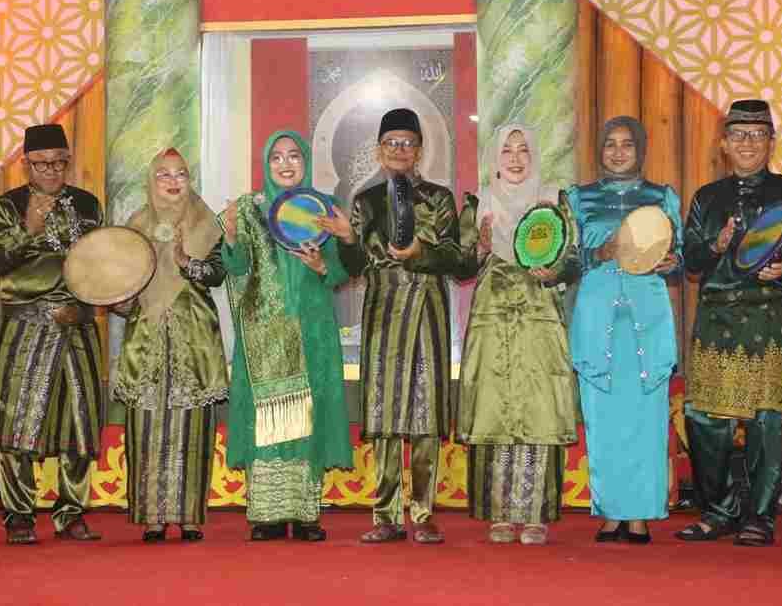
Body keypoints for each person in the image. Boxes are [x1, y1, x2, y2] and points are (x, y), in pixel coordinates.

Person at [319, 108, 466, 544]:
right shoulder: (365, 202)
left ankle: (422, 514)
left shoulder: (439, 199)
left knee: (425, 416)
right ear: (378, 150)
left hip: (427, 313)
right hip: (382, 313)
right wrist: (348, 239)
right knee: (383, 415)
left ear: (420, 150)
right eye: (392, 143)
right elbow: (353, 268)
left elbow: (457, 259)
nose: (400, 150)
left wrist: (421, 253)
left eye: (408, 143)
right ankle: (384, 515)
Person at [676, 99, 782, 546]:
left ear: (771, 142)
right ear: (724, 144)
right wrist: (716, 244)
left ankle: (760, 518)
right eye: (738, 135)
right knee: (704, 418)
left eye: (757, 135)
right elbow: (691, 261)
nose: (747, 143)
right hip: (717, 318)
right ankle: (719, 511)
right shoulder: (706, 198)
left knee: (766, 420)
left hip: (767, 318)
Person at [222, 130, 352, 541]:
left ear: (305, 162)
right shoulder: (249, 209)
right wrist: (230, 236)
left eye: (294, 156)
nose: (285, 164)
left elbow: (341, 271)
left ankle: (307, 514)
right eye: (276, 157)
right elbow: (236, 268)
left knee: (308, 415)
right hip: (264, 332)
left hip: (311, 328)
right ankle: (267, 516)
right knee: (269, 418)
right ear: (266, 163)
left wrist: (323, 266)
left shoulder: (322, 208)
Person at [0, 124, 104, 545]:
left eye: (58, 163)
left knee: (79, 423)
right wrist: (27, 227)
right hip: (27, 324)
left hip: (77, 324)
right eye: (41, 164)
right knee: (17, 423)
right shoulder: (6, 207)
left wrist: (108, 296)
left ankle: (71, 513)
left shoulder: (87, 205)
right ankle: (19, 515)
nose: (51, 170)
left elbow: (101, 262)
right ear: (25, 164)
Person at [457, 124, 579, 546]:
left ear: (534, 155)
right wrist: (479, 248)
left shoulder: (553, 200)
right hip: (492, 315)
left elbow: (573, 258)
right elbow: (459, 264)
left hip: (539, 313)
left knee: (538, 406)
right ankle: (500, 513)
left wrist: (554, 270)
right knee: (494, 405)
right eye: (506, 150)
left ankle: (535, 514)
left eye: (523, 149)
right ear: (495, 158)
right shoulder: (479, 202)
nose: (514, 158)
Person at [568, 115, 682, 544]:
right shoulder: (579, 198)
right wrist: (600, 252)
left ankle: (641, 515)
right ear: (600, 150)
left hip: (646, 318)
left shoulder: (661, 197)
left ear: (640, 150)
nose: (618, 152)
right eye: (610, 144)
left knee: (647, 417)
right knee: (603, 416)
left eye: (627, 144)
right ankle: (611, 512)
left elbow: (681, 257)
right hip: (597, 317)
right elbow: (567, 259)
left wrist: (673, 261)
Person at [113, 148, 228, 542]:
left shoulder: (206, 222)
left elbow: (217, 273)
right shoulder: (136, 225)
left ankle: (190, 516)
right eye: (164, 174)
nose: (173, 181)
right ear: (152, 180)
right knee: (146, 424)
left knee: (192, 425)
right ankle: (152, 517)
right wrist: (116, 298)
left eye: (181, 174)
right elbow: (121, 282)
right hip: (147, 337)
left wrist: (186, 261)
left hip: (193, 337)